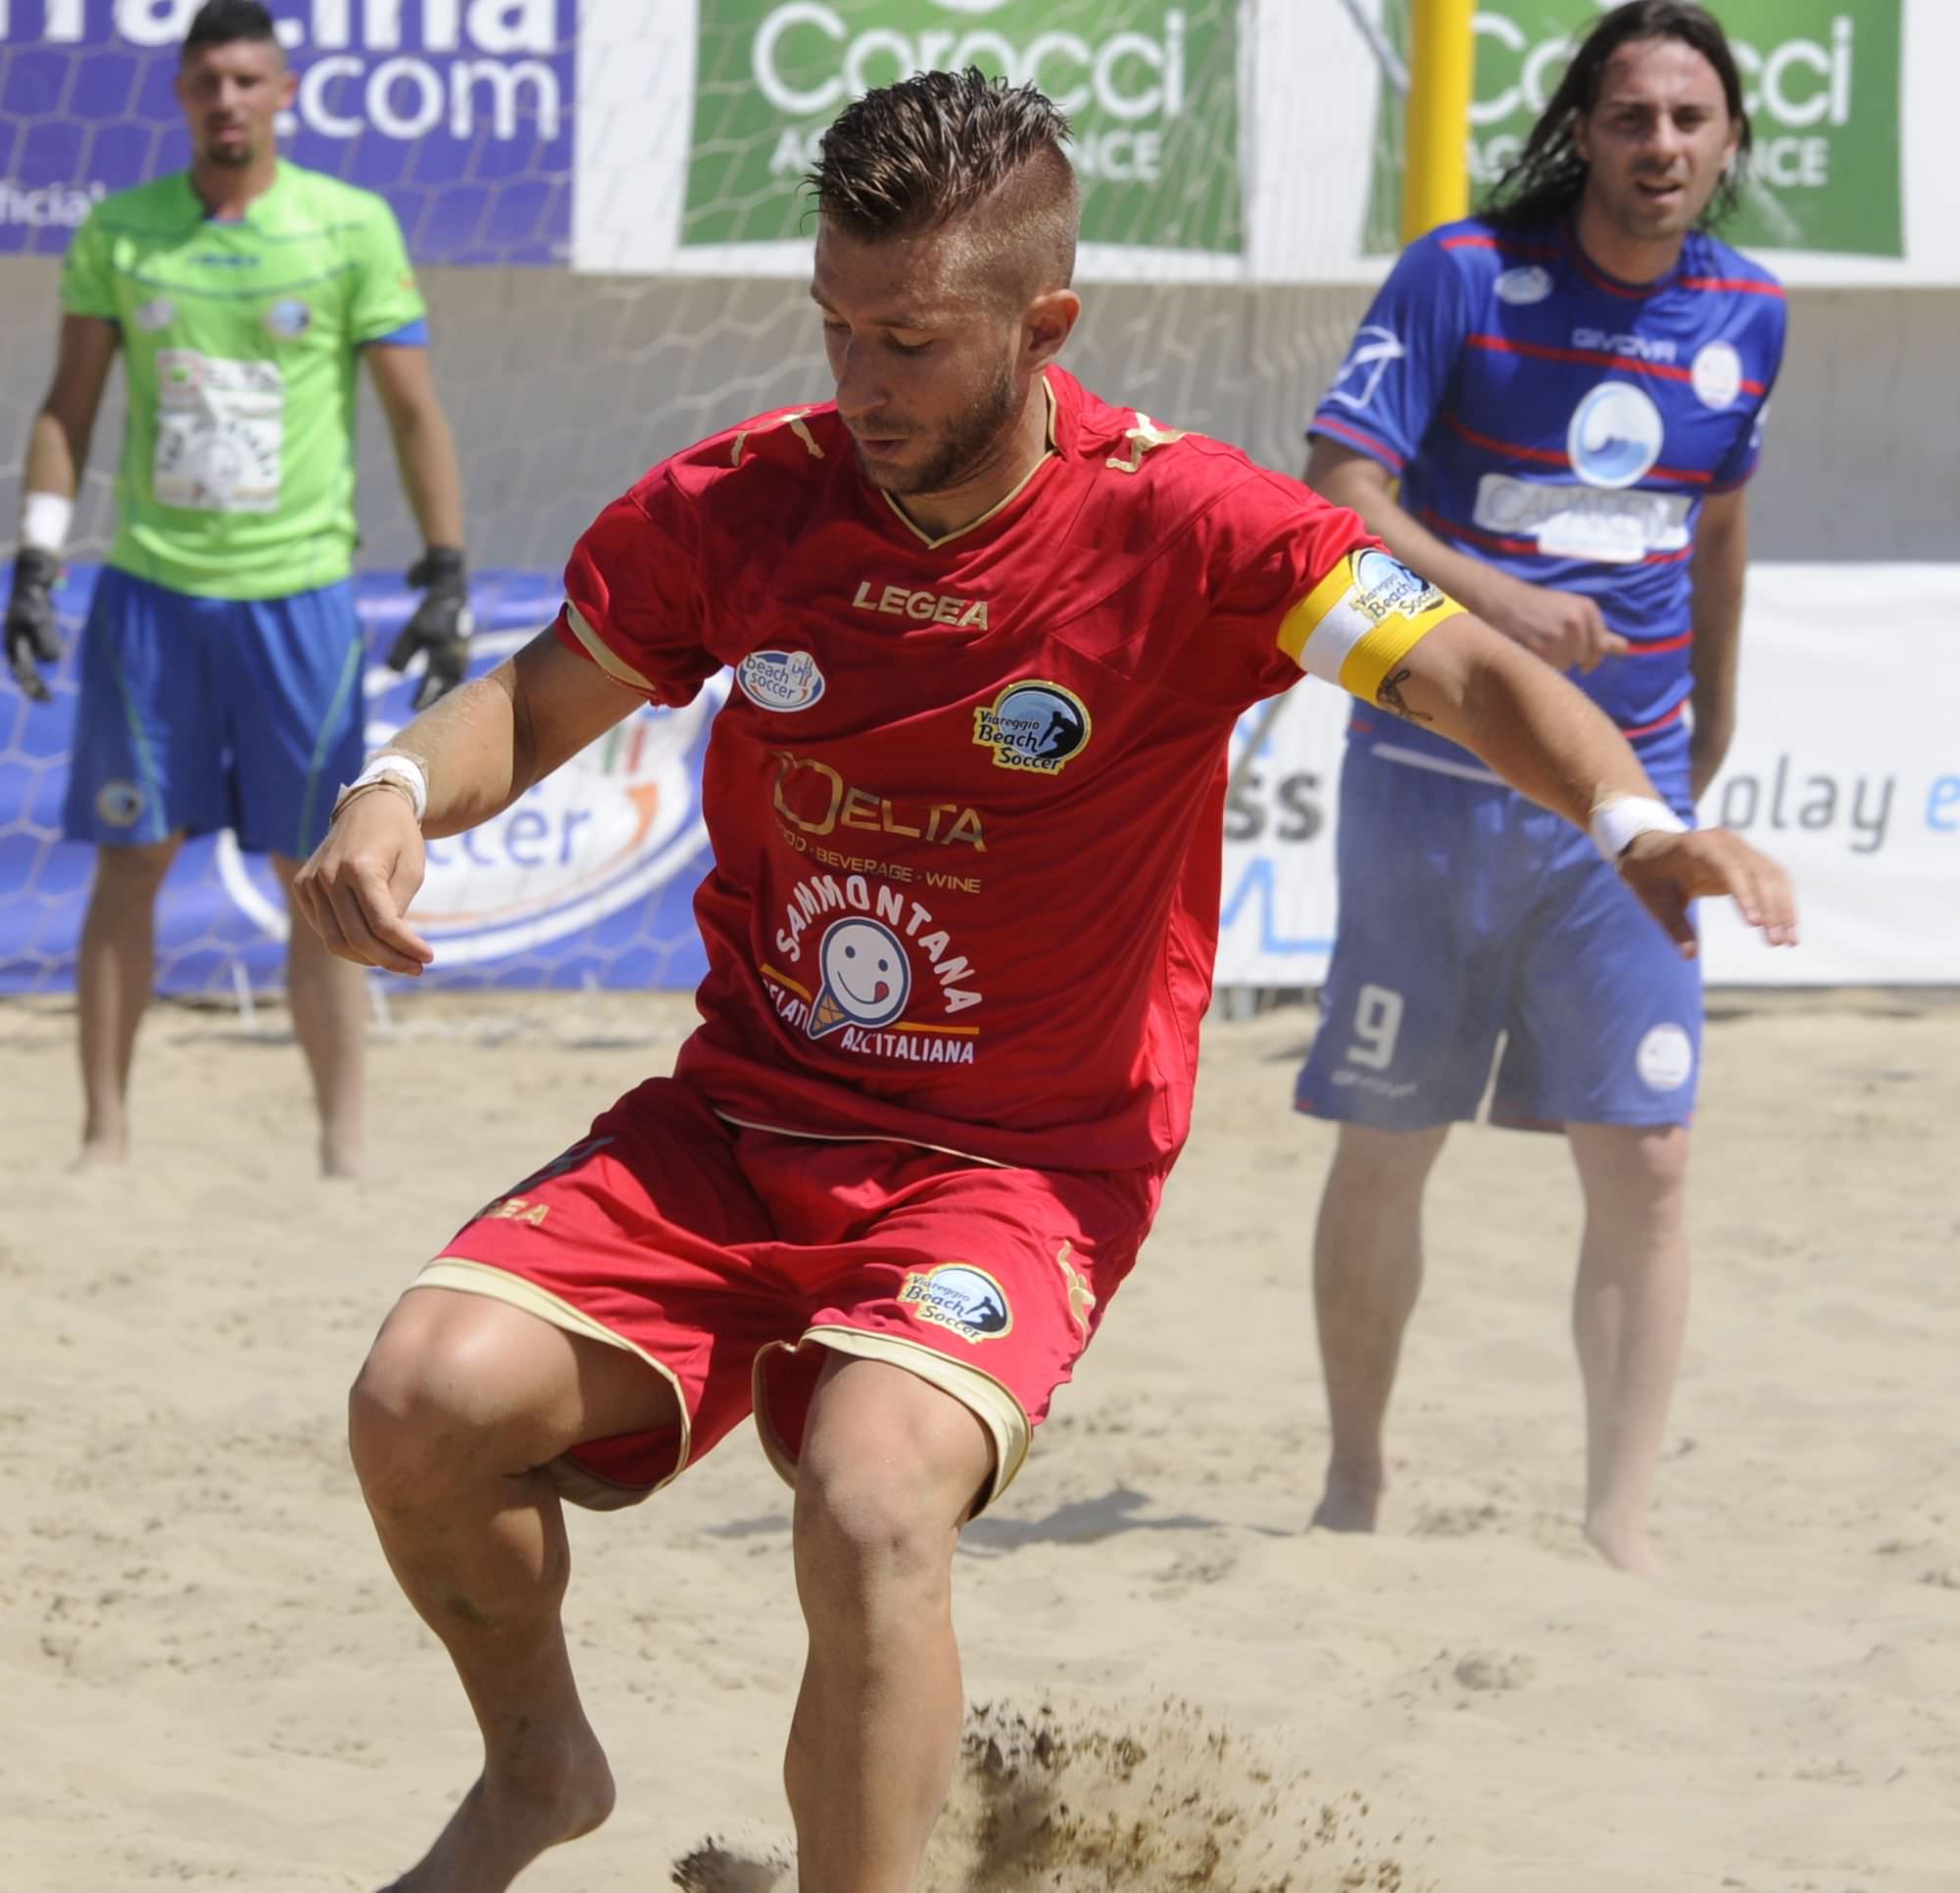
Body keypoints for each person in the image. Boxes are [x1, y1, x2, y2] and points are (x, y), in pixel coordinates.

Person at [294, 68, 1792, 1893]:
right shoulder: (742, 507)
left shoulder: (1192, 530)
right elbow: (531, 704)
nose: (860, 384)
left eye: (910, 343)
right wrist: (391, 797)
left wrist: (1636, 822)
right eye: (836, 328)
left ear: (1045, 324)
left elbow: (1472, 675)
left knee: (867, 1497)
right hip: (740, 1117)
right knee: (419, 1400)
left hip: (1017, 1162)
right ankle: (540, 1773)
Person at [1293, 0, 1788, 1574]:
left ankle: (1618, 1520)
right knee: (1388, 1136)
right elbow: (1342, 493)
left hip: (1624, 808)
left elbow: (1715, 529)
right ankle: (1357, 1481)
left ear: (1726, 146)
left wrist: (1704, 739)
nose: (1660, 146)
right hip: (1429, 778)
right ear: (1583, 129)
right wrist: (1490, 602)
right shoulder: (1460, 275)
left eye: (1689, 122)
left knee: (1648, 1157)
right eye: (1632, 116)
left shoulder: (1751, 313)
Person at [2, 0, 470, 1177]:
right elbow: (68, 407)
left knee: (320, 875)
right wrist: (38, 553)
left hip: (299, 602)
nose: (228, 100)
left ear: (284, 94)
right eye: (207, 80)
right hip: (151, 598)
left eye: (248, 79)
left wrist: (446, 571)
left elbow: (414, 410)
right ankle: (104, 1140)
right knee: (131, 861)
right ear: (180, 96)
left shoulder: (349, 226)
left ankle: (342, 1147)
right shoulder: (122, 230)